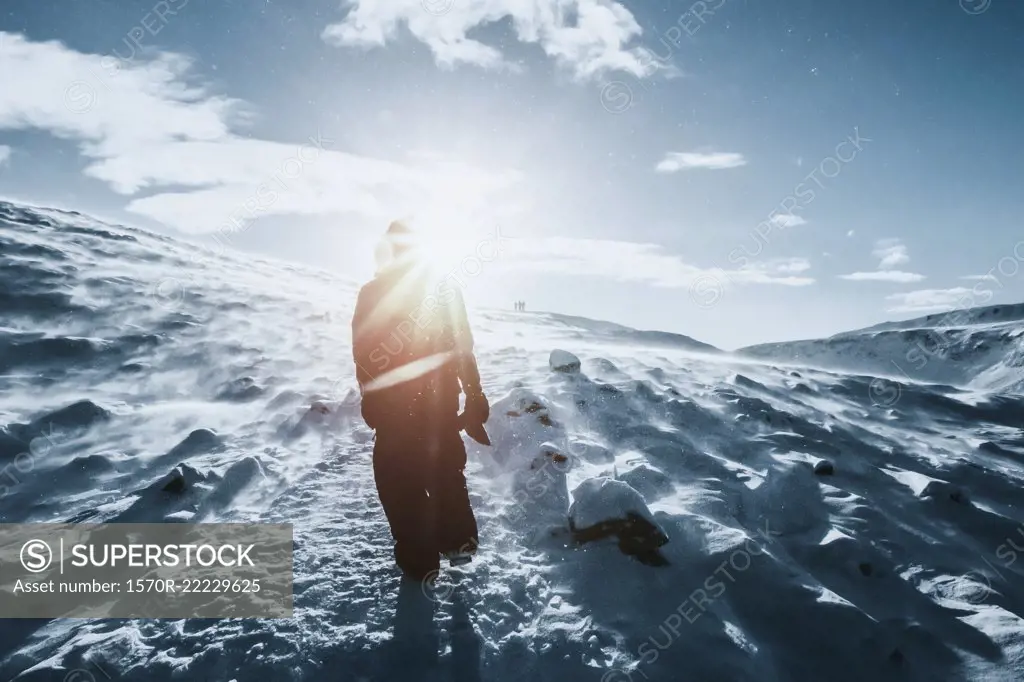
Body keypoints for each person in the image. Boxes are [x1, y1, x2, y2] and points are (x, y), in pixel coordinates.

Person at [351, 220, 490, 581]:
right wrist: (473, 393)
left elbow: (363, 352)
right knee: (443, 467)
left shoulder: (375, 292)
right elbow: (464, 349)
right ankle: (457, 541)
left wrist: (371, 395)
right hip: (436, 402)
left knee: (400, 479)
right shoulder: (443, 290)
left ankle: (421, 559)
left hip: (399, 407)